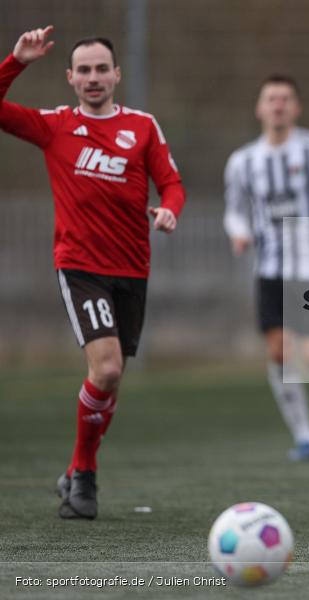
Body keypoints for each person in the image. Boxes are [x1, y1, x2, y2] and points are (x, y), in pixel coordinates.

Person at [0, 26, 185, 519]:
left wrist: (169, 211)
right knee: (105, 369)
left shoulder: (143, 126)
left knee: (111, 382)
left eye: (102, 68)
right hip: (80, 265)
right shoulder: (54, 125)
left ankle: (75, 470)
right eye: (84, 69)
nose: (93, 77)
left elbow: (171, 184)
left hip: (132, 269)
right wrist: (15, 62)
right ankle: (84, 477)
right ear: (70, 77)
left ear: (117, 74)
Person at [224, 74, 309, 461]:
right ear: (259, 107)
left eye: (286, 98)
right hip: (270, 271)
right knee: (279, 354)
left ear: (297, 107)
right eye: (271, 98)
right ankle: (305, 436)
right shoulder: (243, 162)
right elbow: (233, 212)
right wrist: (238, 233)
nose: (278, 105)